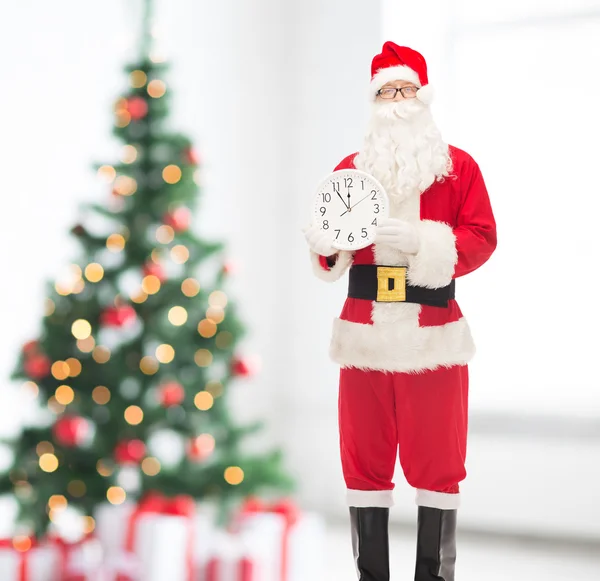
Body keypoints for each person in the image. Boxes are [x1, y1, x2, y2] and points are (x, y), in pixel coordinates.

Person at [303, 41, 497, 581]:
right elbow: (329, 250)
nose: (397, 100)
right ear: (374, 102)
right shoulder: (349, 171)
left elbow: (482, 237)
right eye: (386, 91)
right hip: (363, 334)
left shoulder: (458, 168)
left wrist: (420, 242)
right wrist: (324, 240)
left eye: (406, 89)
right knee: (363, 464)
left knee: (438, 465)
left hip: (434, 335)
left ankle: (434, 576)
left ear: (424, 98)